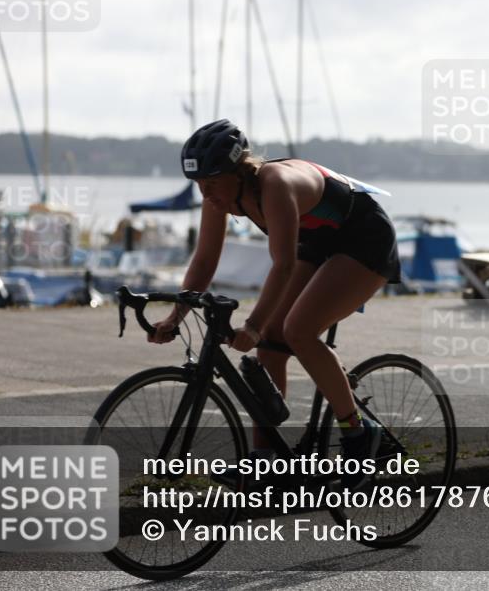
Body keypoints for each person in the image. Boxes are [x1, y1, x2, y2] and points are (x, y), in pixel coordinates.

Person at [148, 118, 402, 490]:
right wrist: (176, 315)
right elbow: (204, 261)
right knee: (270, 343)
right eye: (198, 185)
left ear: (238, 172)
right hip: (318, 242)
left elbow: (282, 265)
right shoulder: (220, 194)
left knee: (297, 330)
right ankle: (267, 461)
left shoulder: (275, 185)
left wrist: (251, 325)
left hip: (365, 239)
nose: (205, 194)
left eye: (212, 183)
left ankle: (360, 435)